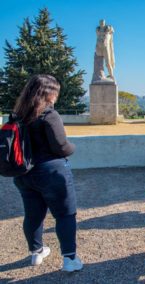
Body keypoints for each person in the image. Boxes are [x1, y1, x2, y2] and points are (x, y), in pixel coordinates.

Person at [13, 75, 83, 271]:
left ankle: (36, 253)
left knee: (33, 215)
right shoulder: (48, 114)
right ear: (49, 93)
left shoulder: (19, 115)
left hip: (24, 173)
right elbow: (61, 146)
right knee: (65, 214)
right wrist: (73, 148)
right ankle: (70, 260)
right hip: (51, 172)